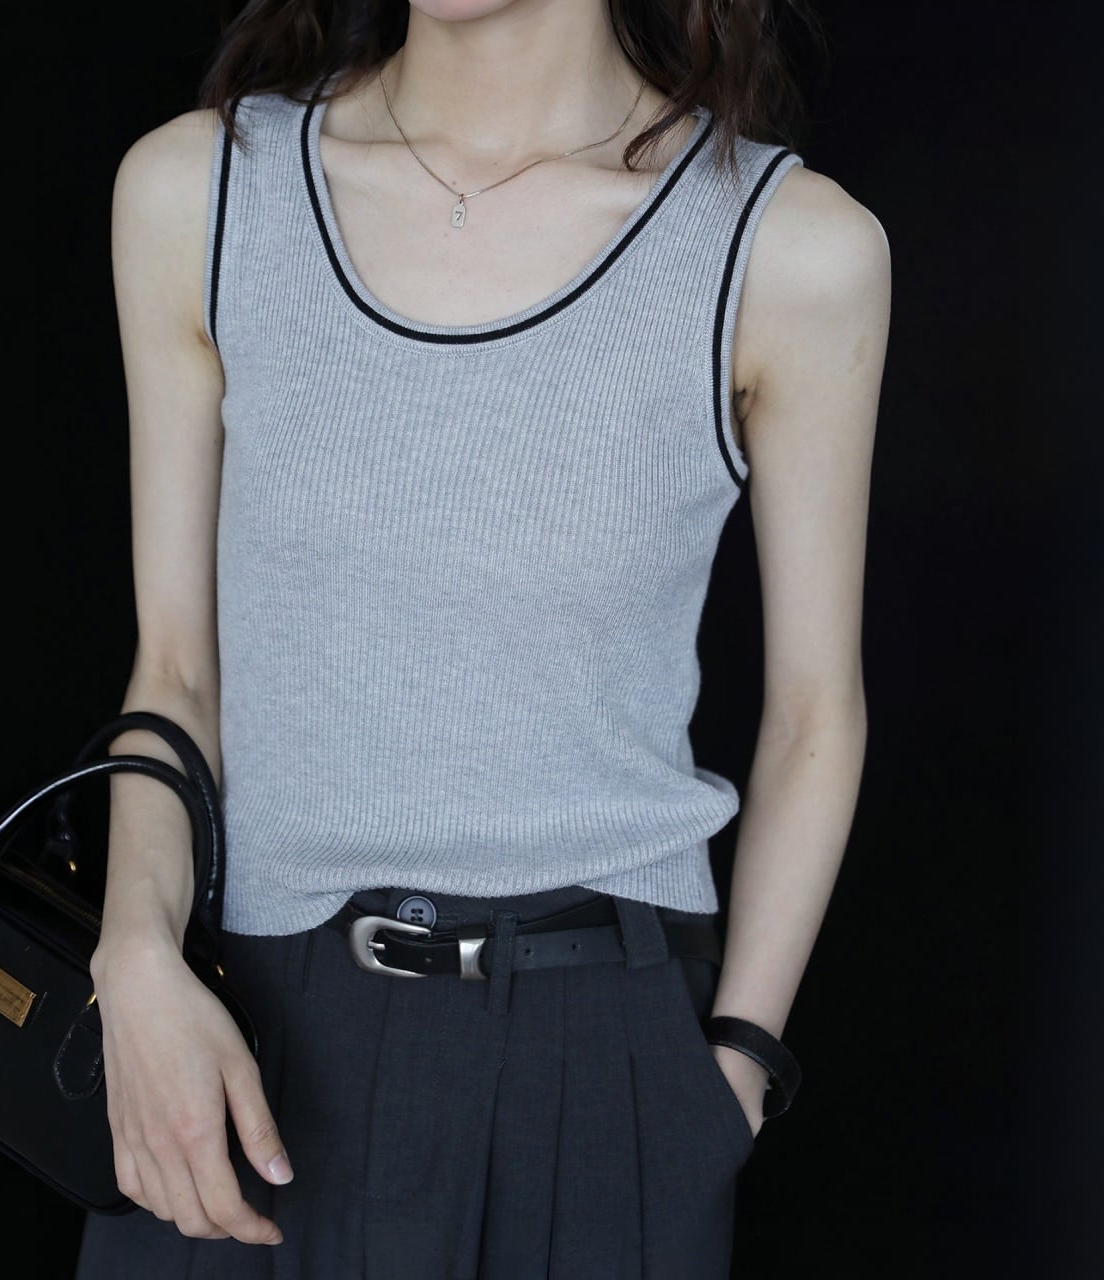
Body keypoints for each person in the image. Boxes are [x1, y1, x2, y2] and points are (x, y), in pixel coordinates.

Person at [73, 0, 889, 1275]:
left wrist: (731, 1069)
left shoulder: (787, 248)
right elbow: (176, 668)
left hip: (595, 1060)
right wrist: (132, 951)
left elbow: (812, 715)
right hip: (232, 1045)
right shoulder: (201, 192)